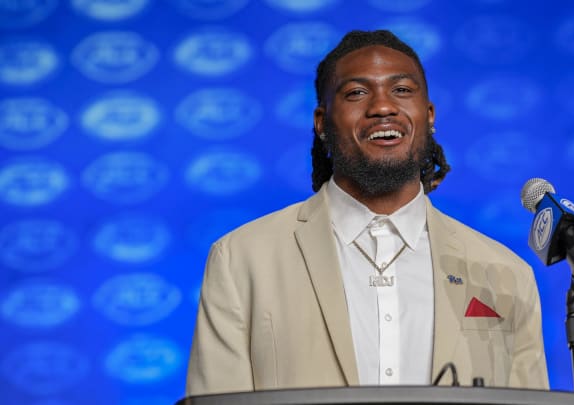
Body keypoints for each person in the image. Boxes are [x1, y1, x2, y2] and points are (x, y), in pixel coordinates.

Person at [186, 29, 548, 396]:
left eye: (402, 90)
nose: (382, 107)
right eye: (357, 93)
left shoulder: (506, 274)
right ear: (321, 123)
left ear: (429, 115)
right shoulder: (241, 259)